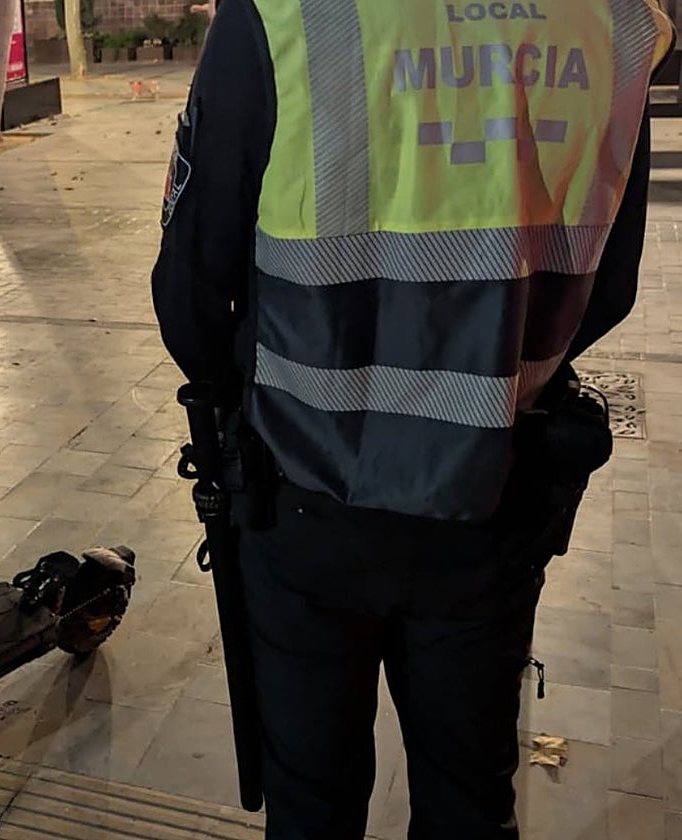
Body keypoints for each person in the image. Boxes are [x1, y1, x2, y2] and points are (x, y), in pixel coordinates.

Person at [151, 1, 675, 838]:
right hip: (496, 487)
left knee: (311, 798)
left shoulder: (283, 14)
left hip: (304, 492)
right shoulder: (615, 22)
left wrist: (247, 386)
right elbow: (608, 291)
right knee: (470, 796)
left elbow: (192, 295)